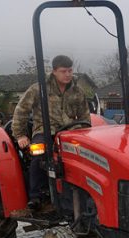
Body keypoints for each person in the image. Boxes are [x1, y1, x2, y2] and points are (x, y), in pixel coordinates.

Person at [12, 55, 90, 210]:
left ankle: (83, 192)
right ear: (54, 71)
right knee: (38, 152)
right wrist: (20, 135)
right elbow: (21, 111)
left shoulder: (77, 91)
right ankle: (36, 196)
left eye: (70, 70)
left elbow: (85, 115)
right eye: (63, 71)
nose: (68, 74)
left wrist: (86, 133)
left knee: (86, 156)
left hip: (70, 131)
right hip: (44, 130)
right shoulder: (38, 89)